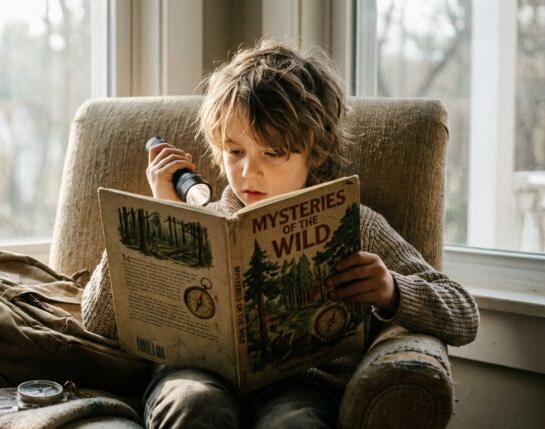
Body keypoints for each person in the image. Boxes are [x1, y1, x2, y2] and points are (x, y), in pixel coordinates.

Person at [81, 39, 479, 428]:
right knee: (197, 406)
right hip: (194, 377)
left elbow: (463, 313)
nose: (247, 173)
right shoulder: (192, 217)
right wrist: (157, 215)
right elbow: (96, 321)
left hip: (301, 384)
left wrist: (393, 290)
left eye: (272, 153)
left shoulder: (353, 223)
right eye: (235, 152)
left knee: (293, 421)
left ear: (318, 149)